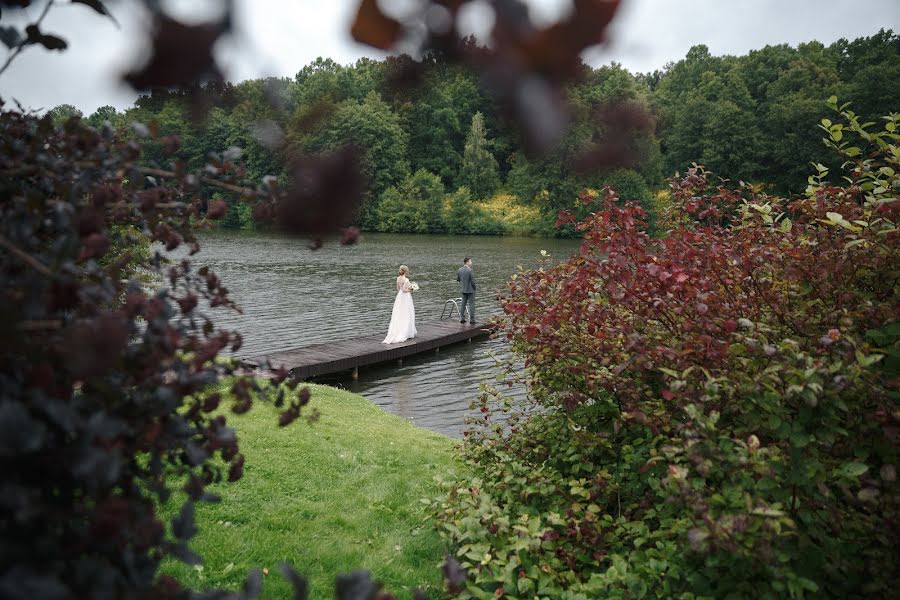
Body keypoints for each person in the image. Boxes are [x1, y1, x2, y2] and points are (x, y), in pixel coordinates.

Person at [382, 265, 417, 344]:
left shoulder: (398, 278)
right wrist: (411, 289)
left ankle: (398, 330)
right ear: (406, 271)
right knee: (406, 313)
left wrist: (405, 290)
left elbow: (398, 289)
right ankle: (406, 332)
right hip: (405, 297)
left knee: (399, 313)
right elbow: (405, 290)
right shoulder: (406, 280)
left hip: (399, 297)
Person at [456, 257, 476, 324]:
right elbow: (473, 282)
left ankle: (462, 318)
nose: (471, 263)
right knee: (471, 305)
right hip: (470, 290)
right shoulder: (470, 270)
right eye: (470, 261)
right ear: (467, 262)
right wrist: (475, 288)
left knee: (463, 304)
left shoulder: (459, 270)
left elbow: (458, 279)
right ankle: (472, 320)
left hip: (463, 289)